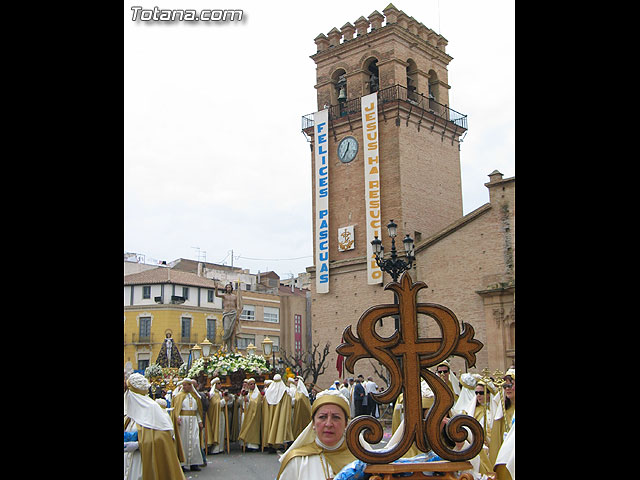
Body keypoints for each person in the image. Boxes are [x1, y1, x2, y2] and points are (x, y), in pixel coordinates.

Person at [276, 389, 356, 480]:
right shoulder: (297, 461)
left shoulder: (361, 461)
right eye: (322, 417)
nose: (329, 424)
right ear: (313, 423)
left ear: (346, 423)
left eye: (336, 417)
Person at [124, 373, 186, 480]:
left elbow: (163, 439)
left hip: (143, 461)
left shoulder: (153, 409)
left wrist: (139, 445)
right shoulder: (130, 414)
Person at [171, 378, 204, 472]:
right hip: (183, 422)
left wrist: (200, 420)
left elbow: (197, 411)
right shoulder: (179, 396)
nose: (184, 386)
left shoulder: (195, 397)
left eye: (186, 385)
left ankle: (194, 463)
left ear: (190, 386)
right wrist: (177, 417)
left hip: (193, 421)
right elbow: (176, 409)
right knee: (183, 441)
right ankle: (182, 463)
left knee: (195, 441)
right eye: (183, 385)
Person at [489, 368, 515, 467]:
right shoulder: (502, 412)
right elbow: (496, 441)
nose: (507, 389)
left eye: (510, 385)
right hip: (506, 457)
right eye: (505, 386)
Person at [264, 373, 294, 451]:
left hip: (271, 414)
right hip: (281, 413)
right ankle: (280, 443)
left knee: (272, 425)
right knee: (281, 426)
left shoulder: (269, 391)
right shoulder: (284, 390)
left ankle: (271, 444)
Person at [214, 281, 243, 352]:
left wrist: (238, 314)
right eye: (227, 287)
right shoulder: (224, 296)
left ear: (231, 288)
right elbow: (217, 295)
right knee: (226, 329)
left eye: (229, 287)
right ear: (226, 289)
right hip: (226, 313)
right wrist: (216, 288)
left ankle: (232, 346)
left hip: (233, 313)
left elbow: (237, 306)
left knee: (233, 331)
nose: (228, 288)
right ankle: (224, 345)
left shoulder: (235, 297)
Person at [238, 378, 263, 451]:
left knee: (252, 429)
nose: (252, 386)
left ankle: (253, 446)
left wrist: (249, 400)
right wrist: (242, 396)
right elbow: (240, 402)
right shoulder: (247, 393)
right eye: (250, 384)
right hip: (245, 413)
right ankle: (244, 444)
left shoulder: (257, 393)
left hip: (253, 415)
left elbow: (256, 403)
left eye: (253, 384)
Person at [206, 377, 228, 454]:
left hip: (221, 414)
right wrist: (224, 400)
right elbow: (216, 404)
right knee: (218, 430)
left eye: (220, 383)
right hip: (216, 415)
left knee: (222, 430)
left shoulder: (218, 393)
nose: (220, 385)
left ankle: (221, 447)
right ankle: (216, 448)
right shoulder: (213, 394)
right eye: (218, 383)